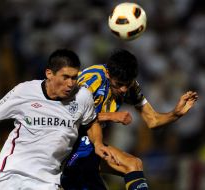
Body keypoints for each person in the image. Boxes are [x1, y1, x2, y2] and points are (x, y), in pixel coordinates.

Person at [0, 49, 115, 190]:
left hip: (46, 180)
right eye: (65, 77)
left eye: (74, 78)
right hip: (9, 173)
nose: (70, 84)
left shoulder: (83, 97)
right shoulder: (24, 91)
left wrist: (98, 143)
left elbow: (91, 122)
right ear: (49, 74)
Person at [61, 49, 198, 190]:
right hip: (66, 143)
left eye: (127, 84)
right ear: (108, 74)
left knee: (133, 165)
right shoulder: (92, 79)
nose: (123, 90)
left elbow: (153, 120)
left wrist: (176, 114)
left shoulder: (129, 86)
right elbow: (68, 115)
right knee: (132, 164)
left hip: (89, 144)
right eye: (119, 84)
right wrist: (111, 116)